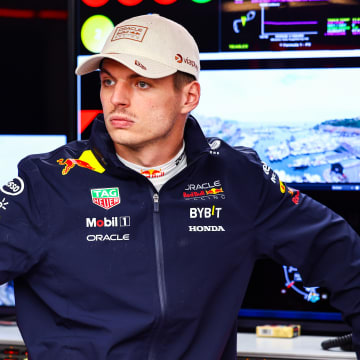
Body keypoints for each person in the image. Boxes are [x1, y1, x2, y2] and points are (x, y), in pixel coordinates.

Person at [1, 13, 360, 360]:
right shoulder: (46, 182)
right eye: (109, 81)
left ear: (188, 96)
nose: (117, 99)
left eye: (141, 83)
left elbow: (342, 257)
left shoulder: (239, 179)